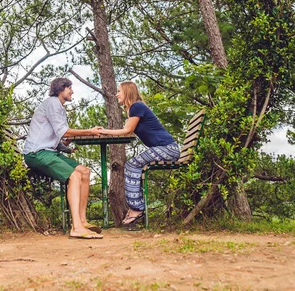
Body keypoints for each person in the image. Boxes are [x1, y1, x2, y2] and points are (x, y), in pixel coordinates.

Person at [23, 77, 104, 239]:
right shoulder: (53, 103)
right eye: (69, 88)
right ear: (61, 89)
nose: (72, 91)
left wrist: (67, 147)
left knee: (84, 172)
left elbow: (57, 136)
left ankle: (82, 220)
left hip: (49, 151)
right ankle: (76, 227)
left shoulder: (58, 107)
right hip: (36, 153)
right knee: (74, 176)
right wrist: (89, 131)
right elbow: (64, 132)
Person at [99, 81, 179, 226]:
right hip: (165, 149)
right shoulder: (135, 108)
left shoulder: (136, 106)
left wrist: (103, 131)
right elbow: (131, 130)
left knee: (131, 165)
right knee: (132, 165)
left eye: (119, 91)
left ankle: (136, 208)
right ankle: (136, 206)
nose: (117, 94)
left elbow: (127, 131)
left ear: (127, 92)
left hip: (168, 149)